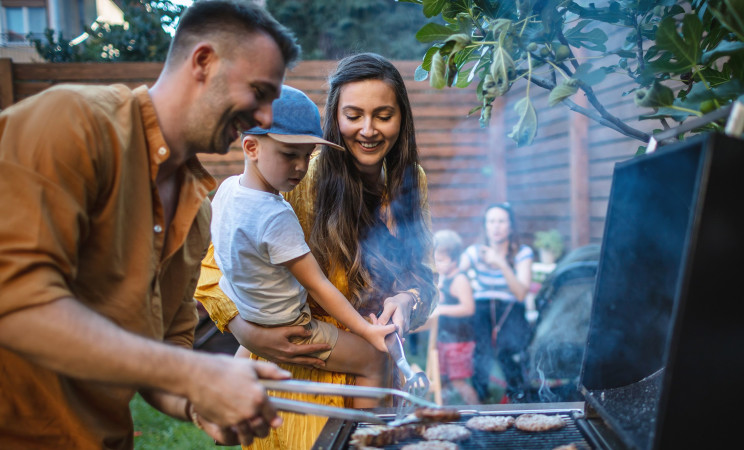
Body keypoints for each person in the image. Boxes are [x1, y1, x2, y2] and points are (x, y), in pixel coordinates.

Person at [0, 1, 306, 448]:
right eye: (259, 93)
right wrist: (193, 374)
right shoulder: (72, 123)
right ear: (203, 61)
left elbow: (168, 345)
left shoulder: (197, 206)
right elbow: (16, 302)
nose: (263, 118)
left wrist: (198, 403)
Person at [195, 52, 437, 450]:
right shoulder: (298, 174)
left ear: (402, 119)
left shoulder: (412, 182)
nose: (368, 130)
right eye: (354, 114)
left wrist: (409, 299)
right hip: (297, 372)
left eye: (383, 115)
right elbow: (218, 268)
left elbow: (425, 274)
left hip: (372, 374)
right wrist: (250, 333)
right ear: (334, 117)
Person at [212, 85, 396, 406]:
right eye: (289, 154)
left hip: (249, 312)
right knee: (374, 361)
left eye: (307, 154)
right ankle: (365, 438)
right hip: (290, 325)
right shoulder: (275, 215)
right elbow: (318, 286)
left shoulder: (227, 190)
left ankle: (221, 398)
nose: (301, 166)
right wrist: (368, 333)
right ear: (251, 147)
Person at [459, 203, 534, 403]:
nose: (496, 226)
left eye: (501, 221)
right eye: (491, 221)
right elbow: (454, 271)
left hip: (510, 308)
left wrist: (501, 263)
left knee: (509, 351)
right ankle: (482, 399)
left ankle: (519, 398)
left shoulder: (522, 253)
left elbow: (520, 293)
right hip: (482, 306)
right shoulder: (475, 252)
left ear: (511, 226)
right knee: (481, 353)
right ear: (485, 226)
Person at [429, 230, 480, 405]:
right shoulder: (445, 278)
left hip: (460, 341)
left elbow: (468, 308)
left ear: (454, 259)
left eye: (441, 261)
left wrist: (442, 309)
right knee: (442, 379)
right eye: (435, 260)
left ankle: (479, 412)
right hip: (445, 338)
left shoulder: (460, 280)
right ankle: (443, 412)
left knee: (458, 382)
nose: (437, 264)